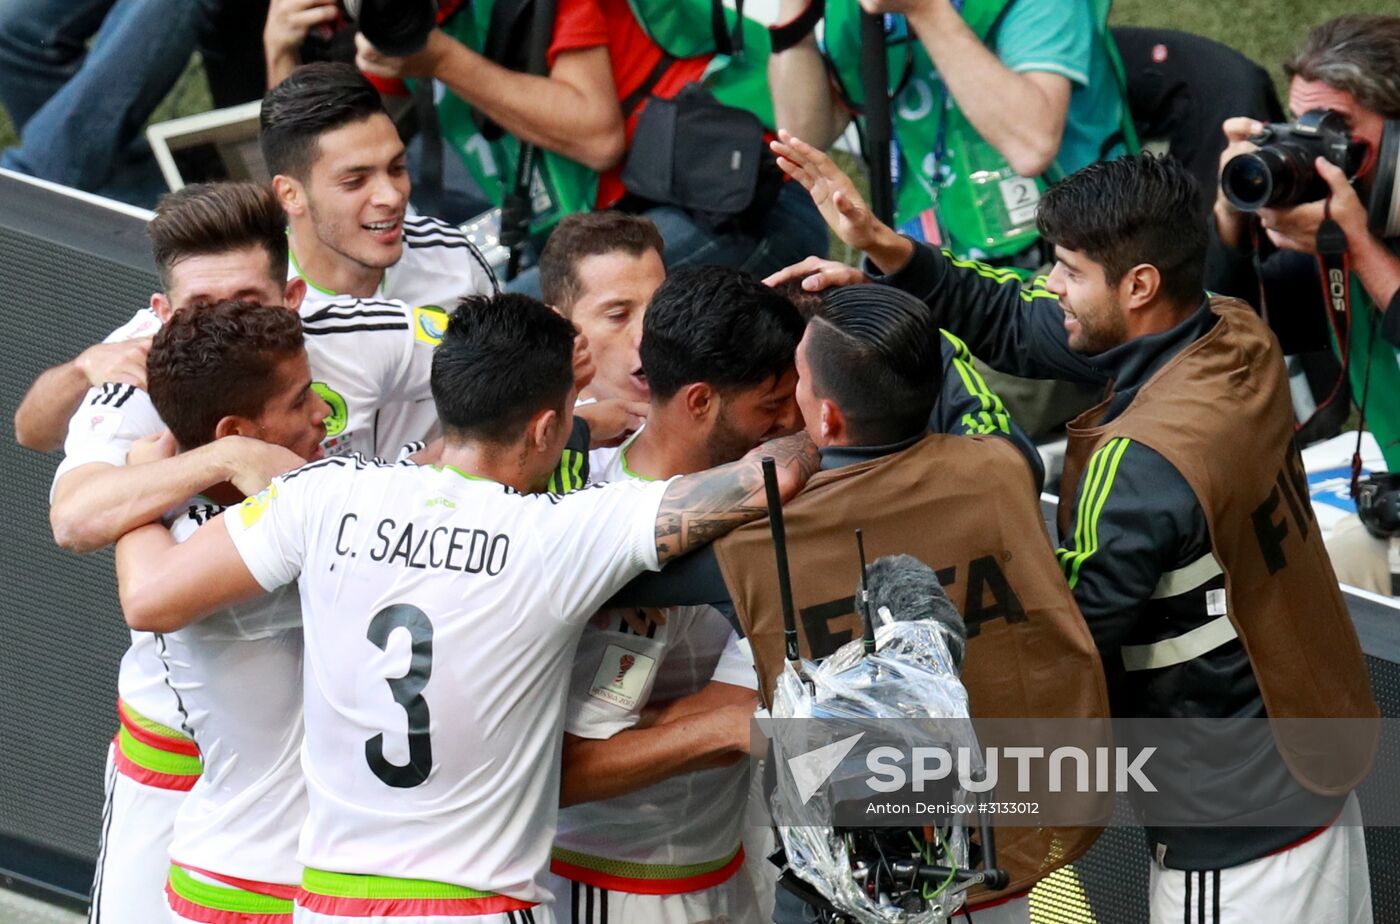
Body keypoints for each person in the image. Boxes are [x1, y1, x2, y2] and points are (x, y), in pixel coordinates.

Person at [769, 136, 1378, 922]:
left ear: (1140, 285)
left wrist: (916, 632)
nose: (1050, 285)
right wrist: (890, 254)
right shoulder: (1228, 332)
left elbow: (1064, 649)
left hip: (1236, 838)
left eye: (1068, 271)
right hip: (1309, 757)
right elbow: (1020, 322)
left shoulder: (1138, 465)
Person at [110, 291, 819, 923]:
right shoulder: (561, 534)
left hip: (328, 901)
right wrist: (812, 410)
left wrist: (147, 480)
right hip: (476, 901)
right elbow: (773, 477)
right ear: (546, 429)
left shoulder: (324, 498)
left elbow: (149, 596)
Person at [26, 181, 469, 924]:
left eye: (250, 299)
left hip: (334, 772)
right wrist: (223, 459)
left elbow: (500, 367)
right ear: (163, 314)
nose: (225, 320)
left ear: (293, 295)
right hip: (176, 758)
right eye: (200, 308)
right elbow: (73, 516)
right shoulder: (149, 374)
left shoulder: (364, 335)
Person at [616, 281, 1106, 923]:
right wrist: (889, 308)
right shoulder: (1005, 466)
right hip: (1009, 852)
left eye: (796, 377)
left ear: (824, 419)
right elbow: (959, 387)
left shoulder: (759, 539)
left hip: (866, 881)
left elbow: (607, 569)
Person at [548, 266, 804, 923]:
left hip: (732, 869)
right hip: (622, 894)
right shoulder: (600, 520)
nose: (791, 420)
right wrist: (718, 726)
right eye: (772, 403)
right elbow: (565, 772)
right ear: (699, 402)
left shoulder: (774, 502)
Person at [767, 0, 1134, 439]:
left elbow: (1031, 144)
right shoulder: (860, 11)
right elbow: (804, 135)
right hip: (925, 275)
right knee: (787, 378)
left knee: (884, 413)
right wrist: (794, 24)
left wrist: (925, 10)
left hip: (1055, 288)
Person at [350, 0, 828, 289]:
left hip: (741, 206)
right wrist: (282, 47)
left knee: (507, 329)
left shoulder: (440, 39)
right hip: (622, 230)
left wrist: (442, 60)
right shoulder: (404, 18)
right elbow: (334, 155)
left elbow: (598, 137)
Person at [141, 300, 324, 924]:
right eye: (301, 401)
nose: (324, 414)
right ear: (233, 435)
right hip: (261, 891)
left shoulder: (159, 515)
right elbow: (145, 599)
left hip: (232, 870)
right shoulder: (241, 549)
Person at [1205, 14, 1400, 596]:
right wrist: (1232, 215)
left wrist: (1359, 248)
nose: (1319, 148)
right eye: (1303, 124)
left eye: (1335, 126)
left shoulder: (1353, 232)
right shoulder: (1334, 219)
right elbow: (1208, 328)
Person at [259, 61, 500, 453]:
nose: (391, 196)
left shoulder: (453, 258)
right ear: (290, 194)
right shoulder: (255, 296)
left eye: (397, 168)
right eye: (355, 181)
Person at [539, 211, 666, 406]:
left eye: (660, 308)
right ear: (560, 329)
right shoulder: (535, 431)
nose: (648, 334)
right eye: (618, 316)